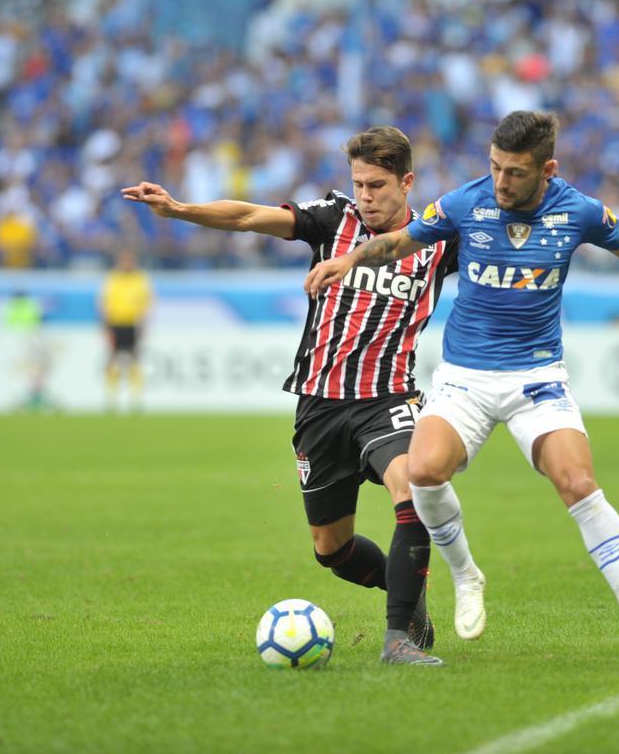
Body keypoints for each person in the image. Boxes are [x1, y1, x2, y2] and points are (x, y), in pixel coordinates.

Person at [305, 111, 619, 653]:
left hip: (537, 377)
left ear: (547, 169)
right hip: (464, 379)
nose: (501, 182)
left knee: (577, 482)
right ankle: (466, 575)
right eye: (495, 167)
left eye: (515, 173)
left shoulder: (578, 211)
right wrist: (350, 259)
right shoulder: (462, 202)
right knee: (425, 472)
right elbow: (401, 242)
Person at [121, 126, 462, 665]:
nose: (366, 196)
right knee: (333, 551)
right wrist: (180, 210)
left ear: (407, 181)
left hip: (388, 398)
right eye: (359, 184)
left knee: (412, 487)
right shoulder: (332, 219)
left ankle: (398, 639)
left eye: (377, 185)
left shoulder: (438, 239)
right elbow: (249, 217)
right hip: (320, 405)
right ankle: (406, 591)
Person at [98, 249, 152, 412]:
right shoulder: (112, 278)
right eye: (125, 260)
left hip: (133, 324)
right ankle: (112, 398)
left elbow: (147, 303)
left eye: (130, 260)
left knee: (134, 360)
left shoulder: (140, 278)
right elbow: (104, 303)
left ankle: (136, 398)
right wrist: (105, 325)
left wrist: (144, 324)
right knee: (113, 360)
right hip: (116, 323)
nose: (127, 263)